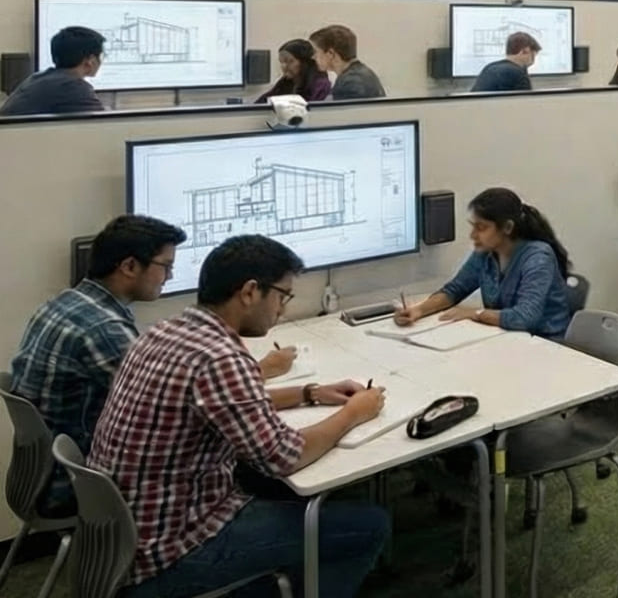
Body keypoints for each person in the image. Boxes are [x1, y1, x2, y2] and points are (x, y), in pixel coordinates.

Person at [90, 235, 389, 598]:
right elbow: (284, 456)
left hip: (121, 541)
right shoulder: (221, 357)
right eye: (282, 296)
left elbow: (220, 404)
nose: (282, 310)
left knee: (281, 491)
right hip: (174, 552)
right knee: (369, 526)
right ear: (249, 292)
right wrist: (354, 413)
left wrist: (308, 393)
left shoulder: (164, 332)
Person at [9, 216, 295, 511]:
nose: (169, 276)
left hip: (42, 472)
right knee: (259, 469)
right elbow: (196, 397)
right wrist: (263, 371)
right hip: (80, 485)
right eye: (166, 266)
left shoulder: (68, 302)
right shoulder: (106, 330)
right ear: (130, 266)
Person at [394, 188, 573, 339]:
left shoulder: (537, 257)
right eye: (473, 226)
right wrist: (418, 311)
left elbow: (524, 318)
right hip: (504, 336)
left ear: (507, 228)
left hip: (544, 343)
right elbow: (454, 291)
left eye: (481, 228)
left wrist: (475, 313)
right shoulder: (486, 253)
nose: (473, 235)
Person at [1, 25, 105, 116]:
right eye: (101, 56)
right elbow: (102, 124)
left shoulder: (38, 78)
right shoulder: (72, 87)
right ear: (90, 61)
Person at [309, 24, 384, 101]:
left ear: (330, 53)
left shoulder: (350, 84)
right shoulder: (363, 74)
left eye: (315, 52)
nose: (313, 57)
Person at [254, 39, 330, 103]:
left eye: (289, 61)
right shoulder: (284, 83)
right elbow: (262, 103)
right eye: (281, 62)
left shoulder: (320, 85)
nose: (284, 66)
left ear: (304, 62)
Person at [470, 31, 539, 93]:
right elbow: (526, 101)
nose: (533, 60)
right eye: (533, 55)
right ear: (525, 50)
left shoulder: (489, 68)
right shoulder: (518, 74)